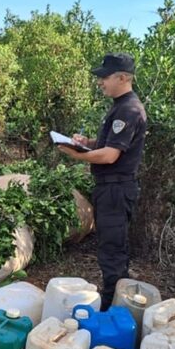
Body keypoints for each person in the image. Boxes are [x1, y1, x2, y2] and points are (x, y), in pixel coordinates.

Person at [57, 53, 147, 310]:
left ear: (123, 77)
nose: (100, 82)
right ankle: (115, 301)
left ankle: (114, 310)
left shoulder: (128, 110)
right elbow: (108, 146)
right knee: (110, 247)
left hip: (116, 190)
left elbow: (109, 156)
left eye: (104, 77)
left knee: (112, 252)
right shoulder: (120, 107)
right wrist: (86, 144)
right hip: (111, 189)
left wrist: (77, 155)